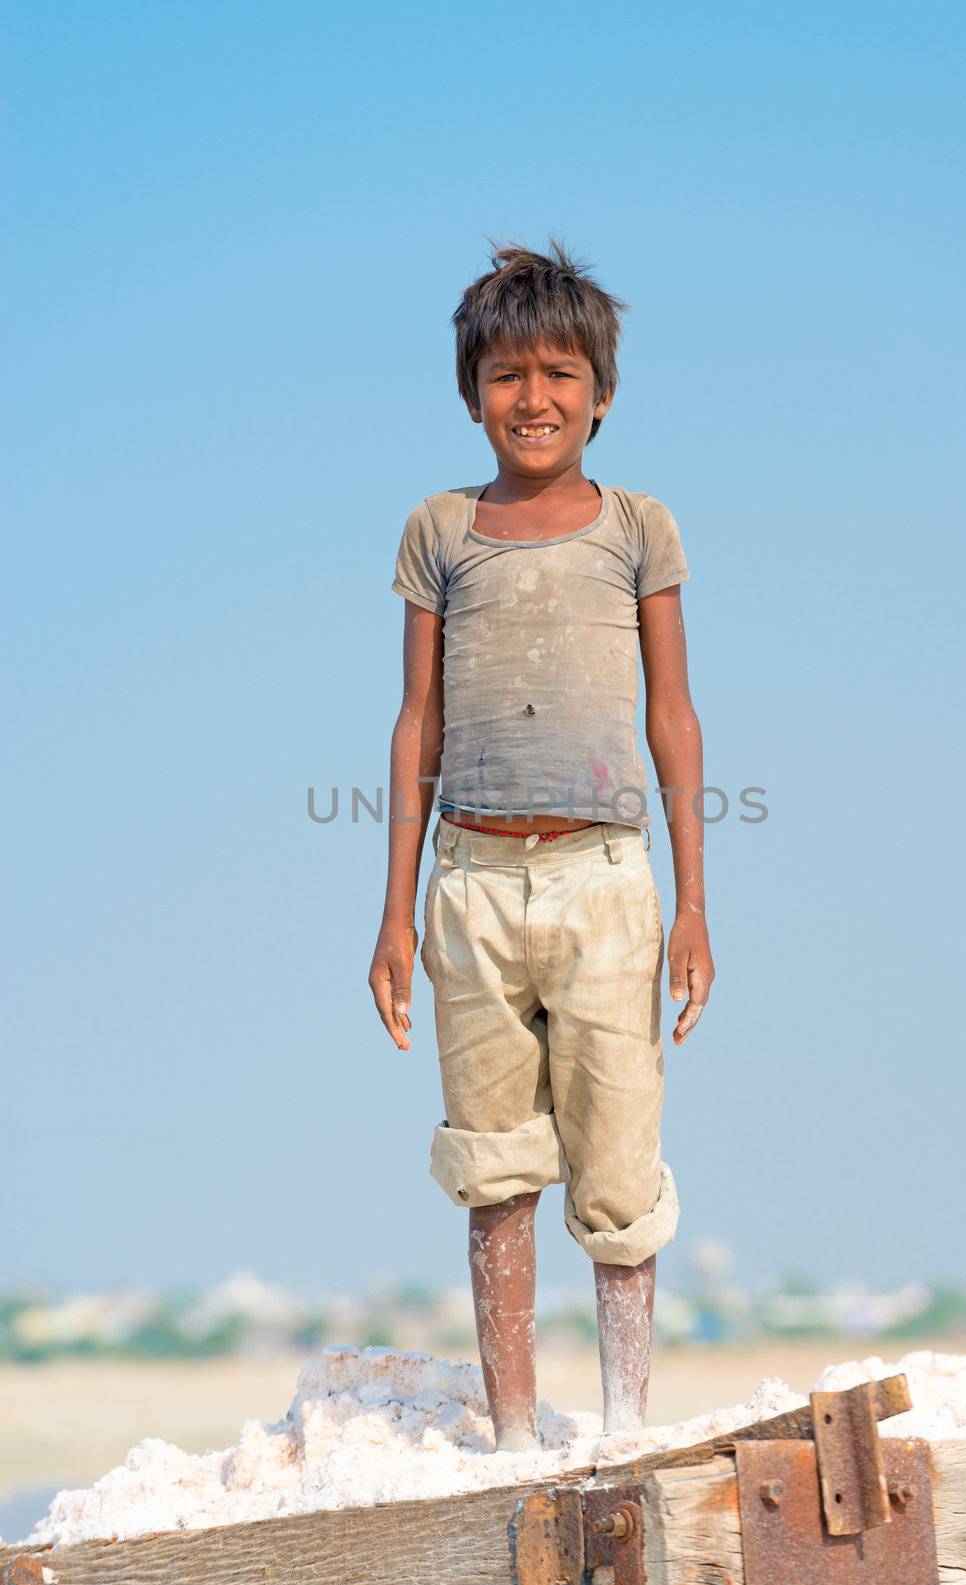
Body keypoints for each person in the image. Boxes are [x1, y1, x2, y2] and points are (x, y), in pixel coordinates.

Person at [369, 238, 715, 1450]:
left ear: (602, 393)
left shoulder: (639, 528)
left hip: (607, 881)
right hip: (468, 884)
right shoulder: (440, 530)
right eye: (508, 376)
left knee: (618, 1170)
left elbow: (673, 715)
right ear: (472, 394)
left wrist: (692, 905)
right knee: (496, 1167)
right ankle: (514, 1439)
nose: (535, 398)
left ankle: (625, 1428)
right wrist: (395, 915)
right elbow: (420, 719)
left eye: (560, 373)